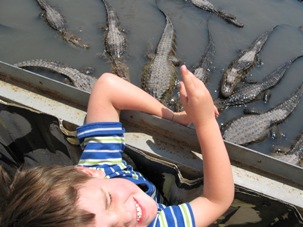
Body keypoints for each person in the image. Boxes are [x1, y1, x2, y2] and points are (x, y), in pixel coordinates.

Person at [0, 65, 234, 227]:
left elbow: (108, 86)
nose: (128, 216)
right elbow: (216, 200)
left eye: (109, 200)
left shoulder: (101, 164)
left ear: (89, 171)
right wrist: (205, 122)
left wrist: (173, 117)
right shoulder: (158, 222)